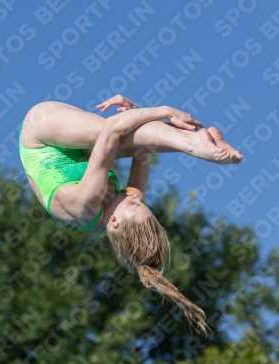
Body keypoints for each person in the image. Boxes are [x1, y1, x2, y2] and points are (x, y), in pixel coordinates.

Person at [19, 95, 243, 335]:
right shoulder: (121, 208)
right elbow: (142, 153)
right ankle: (203, 142)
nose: (136, 197)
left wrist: (165, 111)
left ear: (114, 222)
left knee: (120, 135)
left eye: (135, 204)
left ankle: (194, 145)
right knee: (132, 140)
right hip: (73, 147)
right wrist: (137, 114)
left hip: (40, 132)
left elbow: (114, 128)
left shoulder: (85, 204)